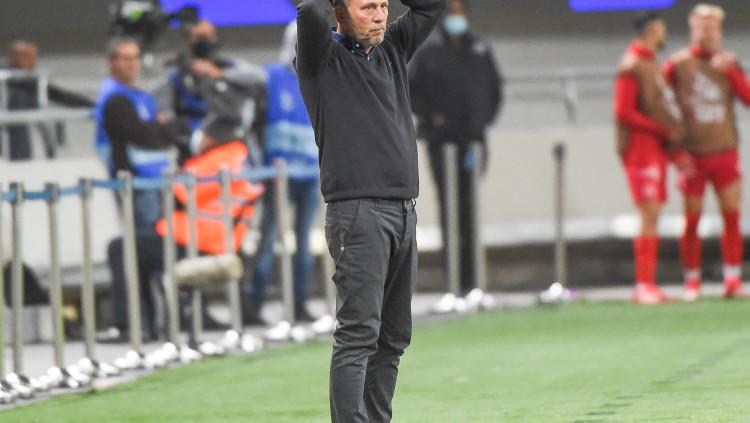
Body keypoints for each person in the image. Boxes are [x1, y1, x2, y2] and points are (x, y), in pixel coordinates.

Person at [296, 0, 446, 420]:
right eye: (367, 7)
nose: (380, 15)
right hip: (358, 214)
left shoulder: (392, 47)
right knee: (358, 336)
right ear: (340, 13)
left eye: (383, 5)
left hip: (404, 211)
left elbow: (432, 6)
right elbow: (310, 12)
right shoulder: (321, 58)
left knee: (393, 338)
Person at [408, 0, 503, 298]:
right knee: (449, 208)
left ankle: (474, 280)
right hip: (442, 143)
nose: (456, 17)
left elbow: (495, 90)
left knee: (470, 208)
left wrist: (481, 121)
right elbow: (411, 90)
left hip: (473, 141)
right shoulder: (428, 52)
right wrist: (433, 118)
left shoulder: (480, 49)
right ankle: (453, 280)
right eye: (451, 12)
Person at [663, 4, 750, 300]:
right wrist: (675, 152)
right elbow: (662, 108)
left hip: (724, 151)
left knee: (732, 216)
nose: (708, 34)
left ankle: (732, 279)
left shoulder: (729, 63)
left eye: (713, 28)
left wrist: (732, 73)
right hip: (693, 155)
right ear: (692, 30)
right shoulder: (677, 65)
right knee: (691, 220)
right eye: (703, 28)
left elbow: (747, 98)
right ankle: (692, 281)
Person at [243, 21, 320, 326]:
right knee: (269, 239)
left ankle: (299, 303)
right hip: (277, 175)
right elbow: (251, 123)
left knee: (304, 243)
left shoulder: (319, 79)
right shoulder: (270, 78)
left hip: (310, 173)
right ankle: (254, 304)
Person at [612, 12, 687, 305]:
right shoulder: (632, 65)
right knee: (648, 213)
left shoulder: (649, 63)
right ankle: (642, 285)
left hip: (654, 149)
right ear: (653, 30)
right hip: (640, 150)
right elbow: (623, 112)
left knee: (653, 214)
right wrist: (661, 130)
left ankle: (649, 284)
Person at [155, 19, 266, 152]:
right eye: (200, 37)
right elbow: (162, 111)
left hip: (228, 137)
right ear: (188, 40)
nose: (205, 42)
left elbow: (261, 77)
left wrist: (220, 73)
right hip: (193, 140)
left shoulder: (227, 65)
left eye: (209, 37)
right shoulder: (176, 73)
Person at [1, 40, 94, 161]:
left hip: (30, 140)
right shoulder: (7, 81)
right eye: (26, 56)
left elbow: (60, 95)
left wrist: (94, 106)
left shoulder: (34, 82)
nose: (31, 61)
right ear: (13, 57)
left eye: (33, 56)